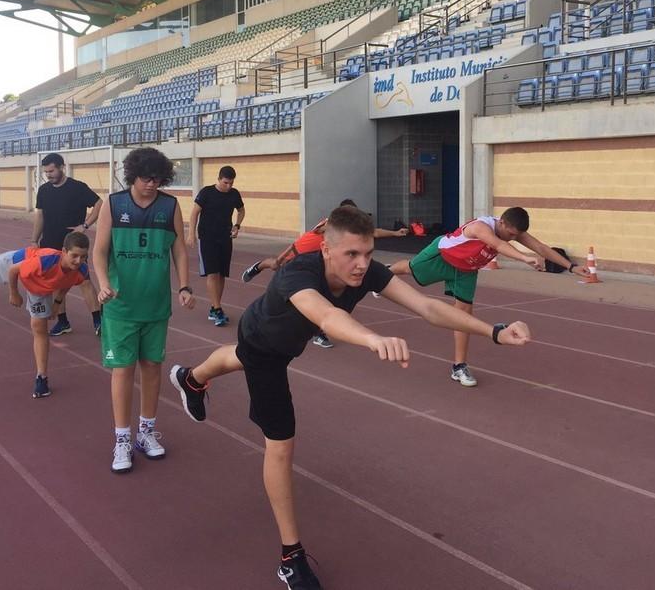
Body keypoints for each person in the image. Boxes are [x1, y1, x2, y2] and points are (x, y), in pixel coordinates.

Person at [169, 206, 531, 589]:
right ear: (326, 249)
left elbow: (426, 307)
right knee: (280, 441)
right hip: (264, 343)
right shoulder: (298, 273)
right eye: (351, 255)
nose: (362, 265)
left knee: (235, 359)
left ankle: (191, 379)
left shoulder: (365, 273)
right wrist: (372, 338)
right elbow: (326, 318)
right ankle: (291, 557)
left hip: (282, 344)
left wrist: (492, 331)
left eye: (368, 254)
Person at [389, 207, 589, 387]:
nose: (512, 238)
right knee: (409, 269)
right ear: (501, 223)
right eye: (510, 234)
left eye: (516, 236)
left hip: (467, 270)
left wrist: (571, 267)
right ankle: (385, 274)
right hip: (443, 257)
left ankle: (459, 367)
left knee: (463, 317)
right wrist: (524, 258)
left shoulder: (512, 231)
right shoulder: (480, 227)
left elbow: (542, 248)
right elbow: (499, 245)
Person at [93, 147, 195, 474]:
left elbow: (179, 250)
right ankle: (122, 439)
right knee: (123, 370)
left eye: (156, 179)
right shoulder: (113, 204)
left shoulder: (170, 206)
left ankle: (146, 432)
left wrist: (184, 286)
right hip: (121, 306)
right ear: (132, 176)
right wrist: (103, 283)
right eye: (145, 178)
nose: (151, 184)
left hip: (155, 305)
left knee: (152, 367)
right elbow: (98, 252)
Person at [240, 199, 409, 348]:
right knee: (275, 265)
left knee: (322, 296)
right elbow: (311, 238)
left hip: (323, 260)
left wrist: (395, 233)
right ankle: (257, 267)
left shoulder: (353, 235)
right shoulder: (328, 227)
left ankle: (319, 332)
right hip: (298, 254)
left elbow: (375, 232)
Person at [0, 232, 91, 398]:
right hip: (21, 262)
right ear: (64, 251)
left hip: (39, 287)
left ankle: (41, 378)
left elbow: (68, 282)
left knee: (39, 328)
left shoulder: (81, 271)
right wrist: (14, 293)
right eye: (74, 256)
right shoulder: (45, 262)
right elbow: (14, 271)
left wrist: (57, 304)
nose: (78, 261)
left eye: (83, 257)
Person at [33, 153, 103, 337]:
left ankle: (99, 321)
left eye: (52, 170)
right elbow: (40, 216)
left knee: (84, 281)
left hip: (74, 244)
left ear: (62, 167)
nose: (49, 175)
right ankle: (63, 322)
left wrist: (85, 225)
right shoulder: (44, 190)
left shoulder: (77, 188)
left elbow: (99, 203)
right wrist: (34, 240)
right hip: (49, 244)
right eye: (46, 172)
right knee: (56, 282)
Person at [187, 165, 244, 327]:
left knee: (221, 274)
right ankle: (218, 309)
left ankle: (214, 307)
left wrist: (237, 225)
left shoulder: (234, 194)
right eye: (226, 183)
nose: (229, 186)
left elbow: (241, 210)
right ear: (219, 179)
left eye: (231, 183)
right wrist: (191, 233)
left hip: (225, 238)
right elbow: (194, 213)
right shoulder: (206, 192)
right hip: (207, 238)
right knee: (212, 273)